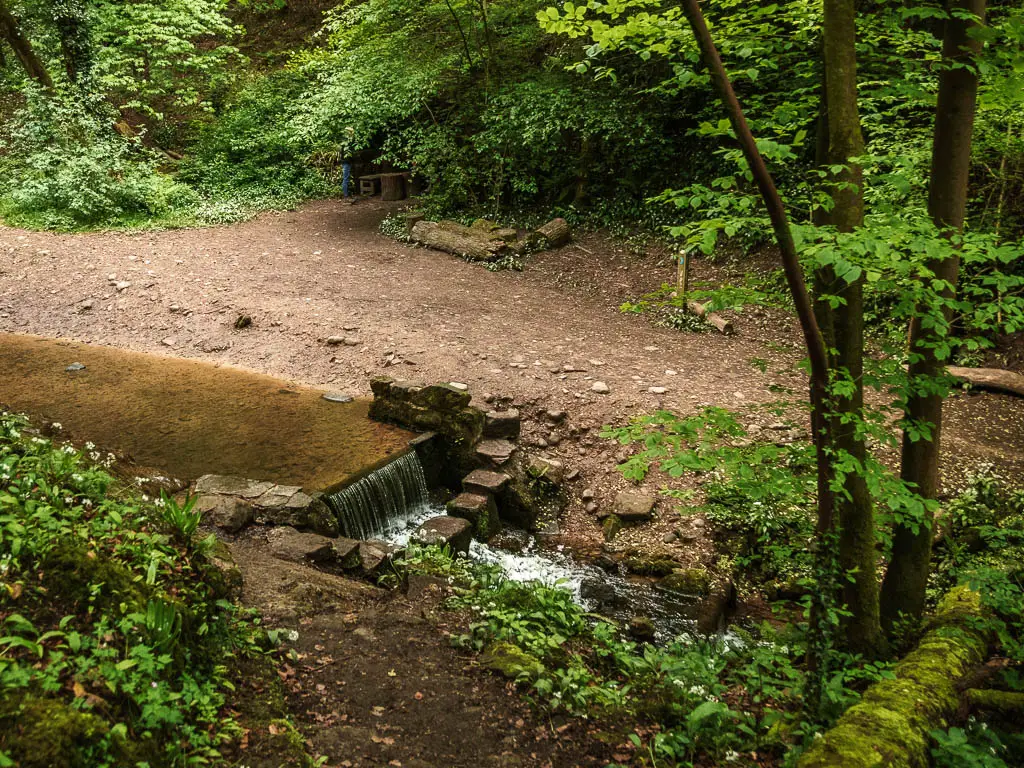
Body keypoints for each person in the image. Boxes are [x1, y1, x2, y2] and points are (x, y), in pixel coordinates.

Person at [341, 126, 355, 199]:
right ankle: (346, 196)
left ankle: (347, 194)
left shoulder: (346, 141)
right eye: (351, 132)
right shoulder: (346, 142)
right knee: (345, 179)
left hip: (347, 162)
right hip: (346, 162)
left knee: (346, 178)